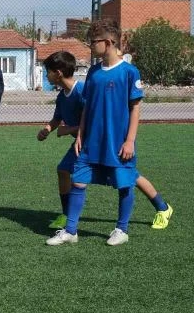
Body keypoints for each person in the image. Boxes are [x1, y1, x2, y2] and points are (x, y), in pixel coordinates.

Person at [38, 51, 174, 233]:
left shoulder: (81, 90)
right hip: (83, 144)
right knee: (63, 170)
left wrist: (69, 130)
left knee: (130, 176)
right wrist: (48, 129)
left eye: (48, 71)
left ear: (58, 73)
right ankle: (66, 215)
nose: (46, 75)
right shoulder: (63, 96)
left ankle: (162, 208)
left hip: (100, 142)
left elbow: (94, 118)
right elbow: (57, 118)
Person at [46, 19, 144, 246]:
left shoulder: (129, 72)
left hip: (118, 140)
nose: (90, 46)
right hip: (91, 140)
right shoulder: (93, 72)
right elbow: (87, 108)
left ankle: (122, 229)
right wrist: (80, 134)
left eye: (93, 42)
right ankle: (70, 231)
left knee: (124, 183)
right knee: (78, 180)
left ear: (108, 42)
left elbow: (135, 108)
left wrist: (130, 140)